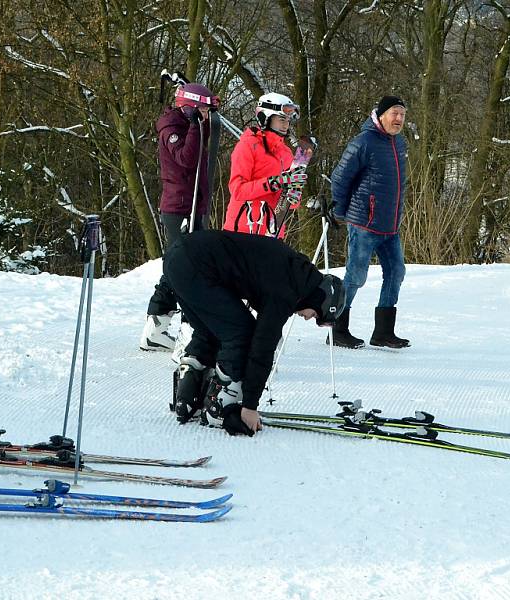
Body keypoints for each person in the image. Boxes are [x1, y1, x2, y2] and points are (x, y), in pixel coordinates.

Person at [163, 230, 344, 436]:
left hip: (178, 257)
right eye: (316, 316)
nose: (308, 318)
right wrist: (249, 407)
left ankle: (187, 398)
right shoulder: (288, 289)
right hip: (197, 266)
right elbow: (262, 349)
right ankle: (220, 407)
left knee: (211, 329)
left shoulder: (295, 272)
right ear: (321, 299)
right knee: (242, 333)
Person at [139, 82, 220, 352]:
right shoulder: (171, 129)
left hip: (193, 204)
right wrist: (197, 125)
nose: (207, 116)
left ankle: (157, 326)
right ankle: (181, 328)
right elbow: (187, 158)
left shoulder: (189, 125)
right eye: (203, 111)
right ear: (191, 109)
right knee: (184, 268)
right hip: (179, 208)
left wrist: (203, 122)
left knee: (181, 266)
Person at [329, 95, 410, 349]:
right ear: (381, 115)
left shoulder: (399, 143)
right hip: (364, 222)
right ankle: (338, 329)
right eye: (394, 113)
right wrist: (338, 212)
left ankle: (383, 333)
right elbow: (340, 177)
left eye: (402, 115)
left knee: (396, 272)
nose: (398, 119)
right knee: (356, 276)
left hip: (390, 225)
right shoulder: (363, 142)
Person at [222, 92, 312, 238]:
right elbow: (237, 190)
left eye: (288, 120)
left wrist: (295, 191)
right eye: (282, 119)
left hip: (273, 231)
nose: (286, 125)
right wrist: (274, 182)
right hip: (242, 230)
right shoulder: (247, 146)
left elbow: (291, 203)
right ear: (265, 117)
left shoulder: (286, 153)